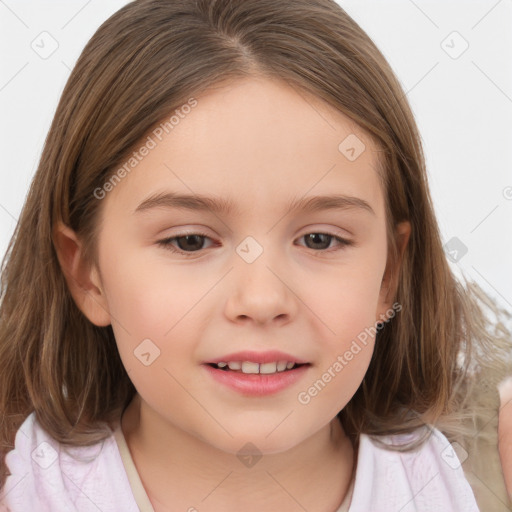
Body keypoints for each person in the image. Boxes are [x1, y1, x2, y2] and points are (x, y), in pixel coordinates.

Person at [0, 0, 510, 510]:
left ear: (388, 275)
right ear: (86, 272)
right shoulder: (21, 487)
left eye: (320, 240)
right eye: (190, 241)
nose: (262, 299)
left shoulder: (489, 472)